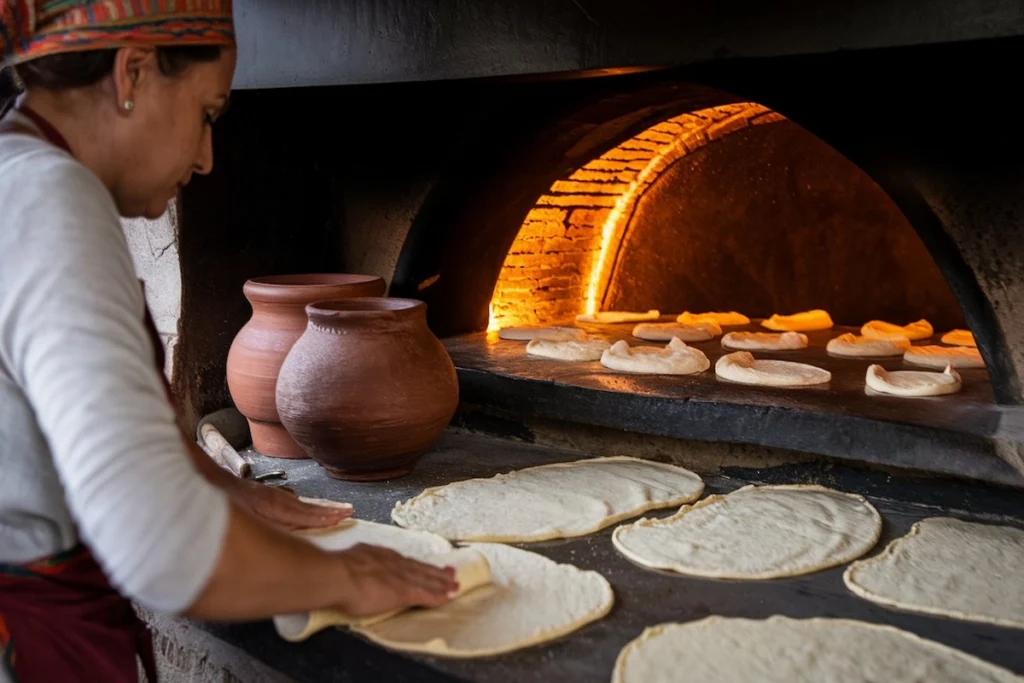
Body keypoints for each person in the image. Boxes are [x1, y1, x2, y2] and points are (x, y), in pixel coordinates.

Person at [0, 2, 457, 681]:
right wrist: (344, 577)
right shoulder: (51, 202)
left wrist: (205, 478)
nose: (209, 157)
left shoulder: (16, 174)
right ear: (132, 73)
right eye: (208, 113)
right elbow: (155, 541)